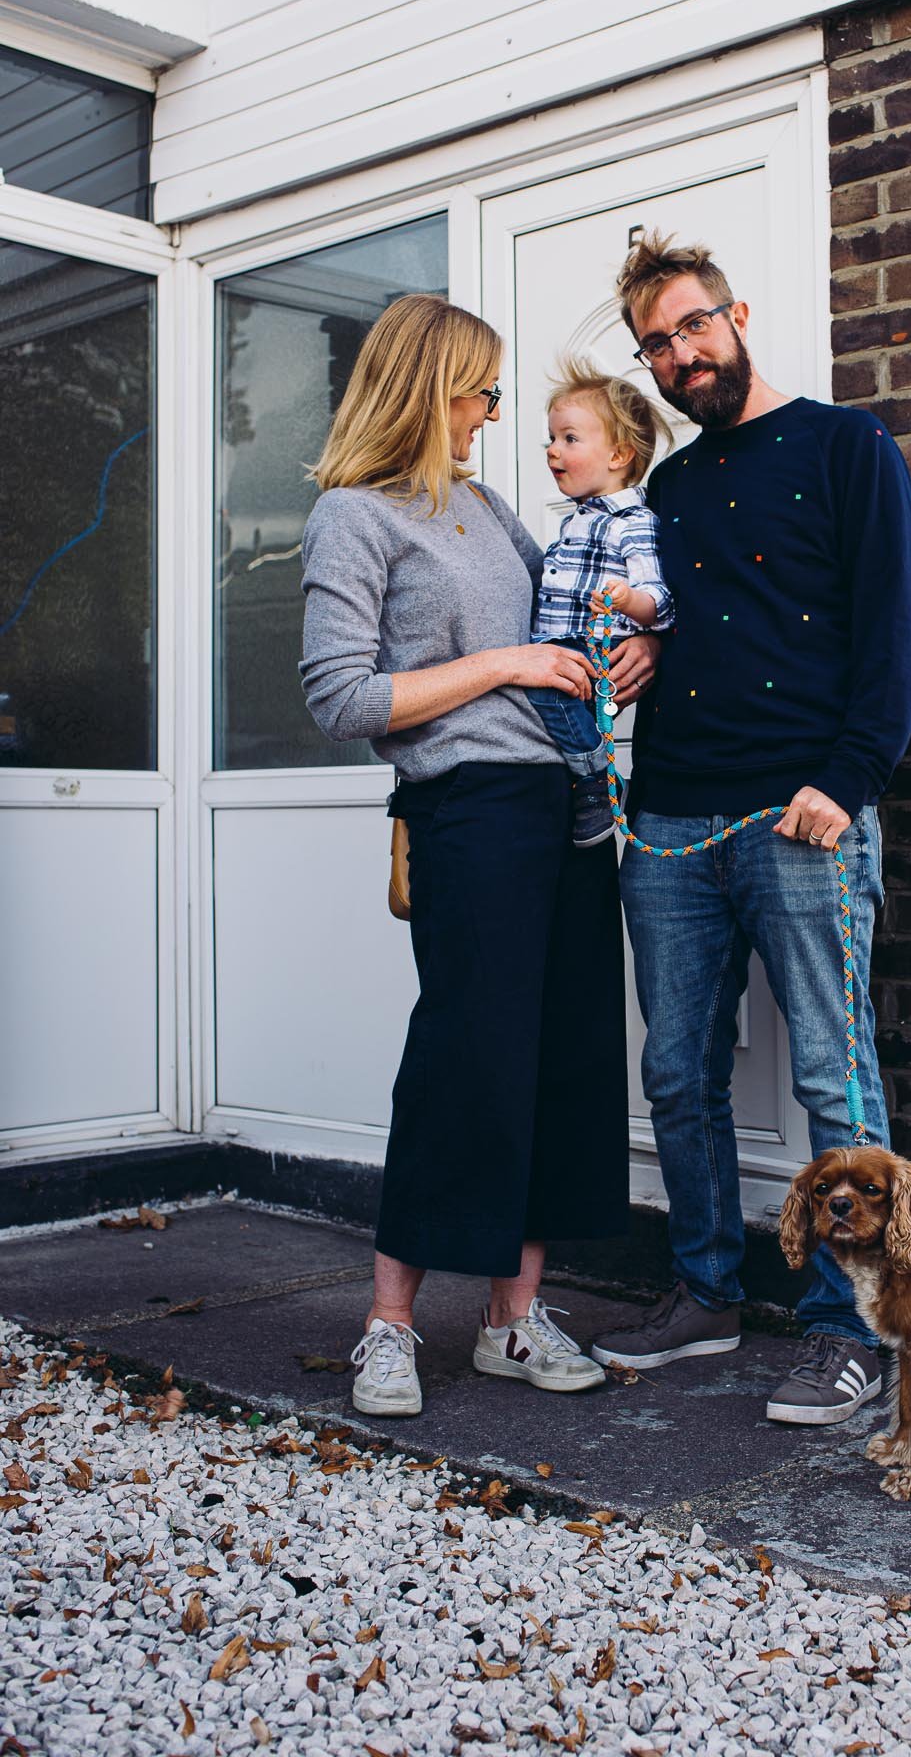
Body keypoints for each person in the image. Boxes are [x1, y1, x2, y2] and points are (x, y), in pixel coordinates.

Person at [589, 233, 911, 1426]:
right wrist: (647, 647)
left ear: (737, 314)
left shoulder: (849, 447)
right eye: (657, 345)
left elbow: (891, 633)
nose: (680, 355)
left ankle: (853, 1329)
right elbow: (688, 615)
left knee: (838, 1079)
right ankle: (706, 1291)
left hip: (802, 815)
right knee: (676, 1068)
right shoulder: (665, 490)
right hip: (672, 820)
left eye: (693, 327)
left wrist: (850, 776)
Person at [299, 294, 652, 1417]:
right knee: (465, 1057)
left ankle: (513, 1318)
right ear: (426, 387)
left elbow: (567, 630)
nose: (493, 416)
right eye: (481, 393)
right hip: (469, 808)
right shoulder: (355, 516)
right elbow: (340, 694)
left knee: (561, 1055)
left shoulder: (491, 506)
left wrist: (630, 635)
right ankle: (390, 1325)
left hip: (566, 808)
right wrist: (503, 664)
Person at [525, 359, 675, 846]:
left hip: (592, 646)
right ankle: (590, 787)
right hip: (560, 642)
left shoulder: (631, 521)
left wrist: (627, 599)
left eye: (569, 439)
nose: (552, 451)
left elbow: (660, 600)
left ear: (618, 455)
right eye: (551, 439)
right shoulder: (577, 520)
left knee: (548, 694)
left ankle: (599, 783)